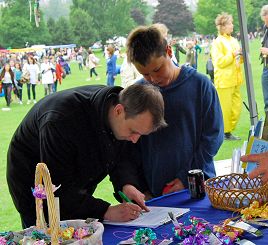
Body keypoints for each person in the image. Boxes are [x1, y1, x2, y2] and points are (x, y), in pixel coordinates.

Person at [7, 84, 167, 228]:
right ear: (118, 110)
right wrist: (105, 211)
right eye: (133, 131)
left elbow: (120, 155)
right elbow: (57, 189)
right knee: (49, 233)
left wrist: (126, 184)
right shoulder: (61, 121)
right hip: (34, 185)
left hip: (71, 181)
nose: (134, 140)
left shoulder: (118, 113)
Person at [126, 25, 224, 198]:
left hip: (199, 186)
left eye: (157, 69)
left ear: (169, 51)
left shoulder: (200, 85)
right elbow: (131, 150)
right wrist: (142, 188)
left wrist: (186, 177)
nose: (154, 79)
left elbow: (213, 137)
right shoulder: (138, 92)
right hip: (156, 194)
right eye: (146, 74)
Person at [211, 12, 244, 141]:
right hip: (224, 81)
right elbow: (219, 62)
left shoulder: (233, 40)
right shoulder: (217, 42)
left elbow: (237, 58)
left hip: (235, 79)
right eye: (230, 23)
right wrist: (232, 54)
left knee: (236, 108)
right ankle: (225, 133)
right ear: (223, 26)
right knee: (225, 109)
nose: (232, 25)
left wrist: (241, 56)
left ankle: (228, 130)